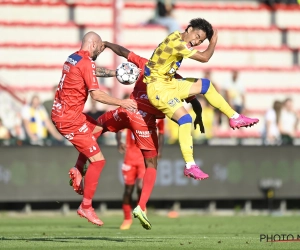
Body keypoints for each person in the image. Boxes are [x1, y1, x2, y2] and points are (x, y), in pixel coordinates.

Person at [69, 41, 204, 230]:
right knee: (152, 164)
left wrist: (107, 44)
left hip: (127, 110)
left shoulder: (145, 64)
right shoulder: (175, 78)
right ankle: (141, 207)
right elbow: (194, 100)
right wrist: (197, 114)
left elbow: (124, 52)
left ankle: (78, 166)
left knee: (98, 126)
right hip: (143, 120)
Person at [144, 18, 259, 184]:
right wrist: (213, 42)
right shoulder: (177, 43)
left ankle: (234, 117)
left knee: (206, 85)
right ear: (189, 29)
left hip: (168, 83)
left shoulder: (177, 36)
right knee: (185, 119)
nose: (197, 41)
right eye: (197, 36)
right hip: (158, 89)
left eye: (201, 40)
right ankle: (190, 165)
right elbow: (205, 58)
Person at [51, 31, 137, 227]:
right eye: (101, 47)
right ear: (93, 45)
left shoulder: (73, 57)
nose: (101, 50)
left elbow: (91, 71)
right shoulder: (86, 62)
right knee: (98, 161)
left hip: (66, 113)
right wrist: (121, 103)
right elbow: (96, 95)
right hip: (68, 119)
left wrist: (115, 73)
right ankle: (86, 206)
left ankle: (78, 168)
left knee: (98, 127)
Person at [117, 119, 165, 230]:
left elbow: (161, 133)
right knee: (128, 191)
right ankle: (127, 219)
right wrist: (119, 142)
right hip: (129, 157)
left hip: (144, 157)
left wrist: (160, 150)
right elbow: (119, 129)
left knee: (140, 186)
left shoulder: (158, 117)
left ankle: (141, 207)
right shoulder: (131, 115)